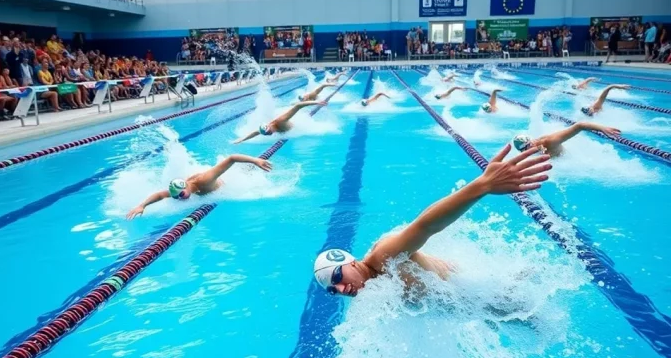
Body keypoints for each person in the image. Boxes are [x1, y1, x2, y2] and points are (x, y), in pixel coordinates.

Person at [313, 145, 551, 297]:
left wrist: (482, 186)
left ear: (352, 263)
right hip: (478, 307)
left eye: (337, 277)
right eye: (334, 291)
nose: (342, 289)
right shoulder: (376, 290)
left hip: (491, 292)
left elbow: (425, 225)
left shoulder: (382, 256)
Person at [126, 154, 273, 219]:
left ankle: (250, 167)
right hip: (209, 187)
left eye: (181, 195)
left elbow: (232, 158)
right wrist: (142, 205)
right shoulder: (180, 190)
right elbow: (159, 195)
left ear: (186, 188)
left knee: (244, 173)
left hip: (225, 185)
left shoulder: (204, 180)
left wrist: (255, 160)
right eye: (176, 197)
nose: (179, 198)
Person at [233, 100, 327, 144]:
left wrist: (316, 102)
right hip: (287, 132)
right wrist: (241, 140)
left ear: (271, 127)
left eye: (269, 133)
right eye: (267, 134)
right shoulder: (266, 129)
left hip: (297, 128)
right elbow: (254, 133)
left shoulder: (281, 120)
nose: (269, 135)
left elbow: (298, 106)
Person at [513, 122, 621, 158]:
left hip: (566, 159)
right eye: (524, 149)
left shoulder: (550, 141)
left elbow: (579, 126)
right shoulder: (531, 151)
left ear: (531, 142)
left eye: (528, 145)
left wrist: (603, 128)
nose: (528, 149)